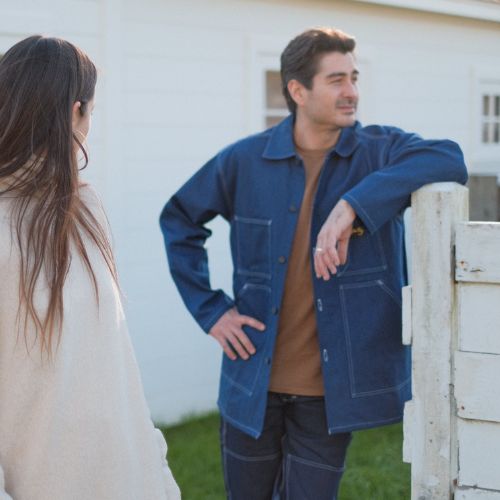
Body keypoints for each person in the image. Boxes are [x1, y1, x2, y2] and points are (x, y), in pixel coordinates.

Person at [160, 27, 467, 499]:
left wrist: (352, 206)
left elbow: (448, 158)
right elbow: (179, 220)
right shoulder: (245, 160)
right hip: (250, 387)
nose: (352, 92)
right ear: (298, 91)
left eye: (355, 77)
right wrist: (211, 310)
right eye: (337, 80)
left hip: (328, 396)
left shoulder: (379, 152)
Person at [0, 36, 180, 500]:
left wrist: (157, 472)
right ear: (77, 111)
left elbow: (117, 359)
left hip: (130, 482)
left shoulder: (86, 206)